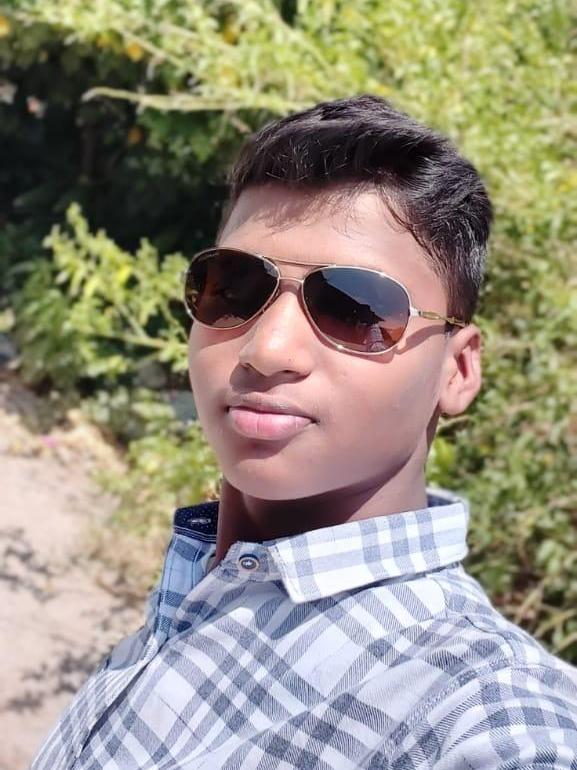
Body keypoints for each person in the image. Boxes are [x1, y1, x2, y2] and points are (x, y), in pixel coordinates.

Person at [32, 95, 577, 769]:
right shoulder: (203, 580)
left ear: (457, 370)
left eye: (356, 308)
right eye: (234, 286)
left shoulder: (479, 707)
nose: (268, 349)